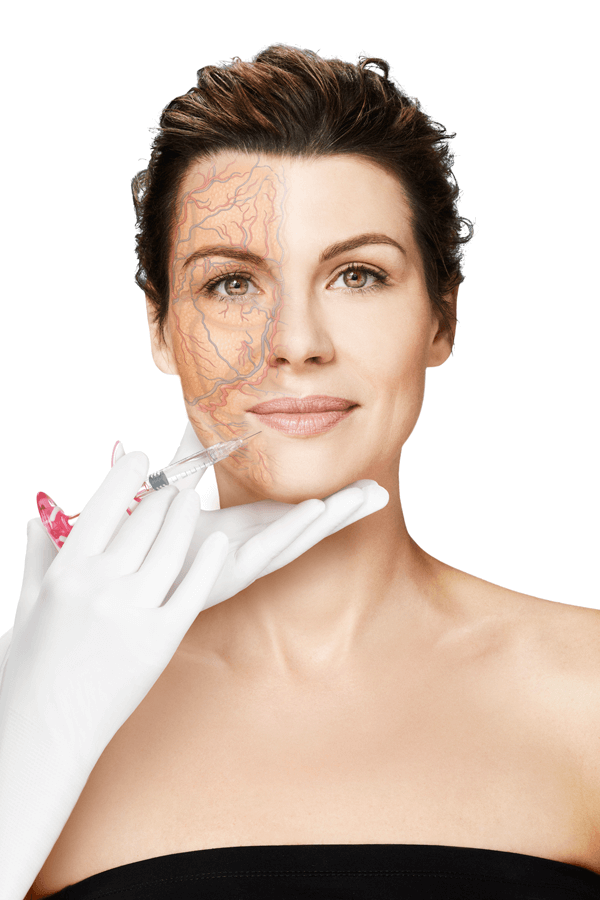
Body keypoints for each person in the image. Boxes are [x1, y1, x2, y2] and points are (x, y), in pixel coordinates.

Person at [1, 44, 599, 899]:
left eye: (357, 275)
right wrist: (32, 732)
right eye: (231, 284)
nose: (295, 342)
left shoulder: (586, 694)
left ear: (442, 316)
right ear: (160, 327)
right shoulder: (42, 703)